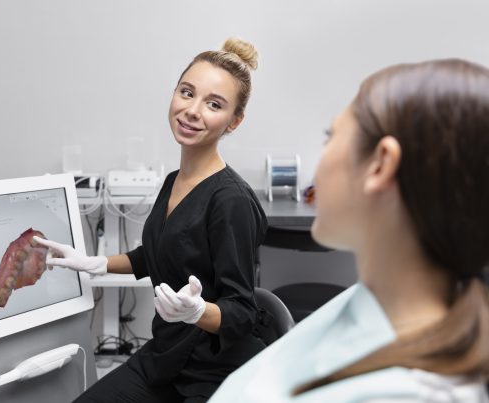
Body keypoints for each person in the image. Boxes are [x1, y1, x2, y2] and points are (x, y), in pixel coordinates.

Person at [209, 58, 489, 402]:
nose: (318, 168)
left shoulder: (405, 394)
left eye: (331, 137)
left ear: (381, 165)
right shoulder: (372, 302)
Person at [35, 38, 268, 403]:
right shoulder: (174, 181)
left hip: (215, 373)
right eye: (187, 92)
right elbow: (158, 255)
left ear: (234, 121)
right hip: (166, 358)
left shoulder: (231, 201)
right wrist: (93, 263)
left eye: (214, 104)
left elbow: (242, 313)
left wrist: (197, 311)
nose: (192, 110)